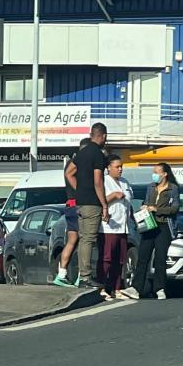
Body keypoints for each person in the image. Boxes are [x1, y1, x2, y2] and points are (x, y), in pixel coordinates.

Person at [123, 163, 180, 300]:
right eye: (153, 172)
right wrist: (145, 207)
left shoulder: (173, 189)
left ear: (165, 174)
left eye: (157, 172)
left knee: (160, 258)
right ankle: (136, 288)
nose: (154, 174)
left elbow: (174, 208)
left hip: (164, 225)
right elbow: (147, 201)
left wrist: (157, 209)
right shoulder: (151, 187)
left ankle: (159, 288)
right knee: (143, 257)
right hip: (149, 224)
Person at [71, 123, 109, 289]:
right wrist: (104, 204)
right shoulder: (97, 154)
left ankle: (82, 275)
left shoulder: (82, 152)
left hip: (80, 202)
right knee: (88, 239)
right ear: (103, 136)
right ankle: (85, 276)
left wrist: (79, 189)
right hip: (92, 203)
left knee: (83, 239)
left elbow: (68, 173)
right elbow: (98, 181)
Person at [55, 137, 93, 287]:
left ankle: (62, 274)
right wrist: (83, 193)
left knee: (72, 242)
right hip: (78, 205)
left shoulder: (70, 162)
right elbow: (70, 176)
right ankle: (81, 276)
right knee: (84, 241)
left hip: (70, 205)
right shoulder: (78, 163)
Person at [98, 154, 131, 300]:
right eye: (117, 167)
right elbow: (99, 202)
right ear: (108, 168)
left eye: (121, 167)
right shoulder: (103, 182)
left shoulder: (125, 182)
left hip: (123, 226)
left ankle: (118, 288)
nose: (120, 170)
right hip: (108, 226)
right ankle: (102, 287)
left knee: (120, 259)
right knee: (107, 258)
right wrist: (113, 196)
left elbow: (129, 203)